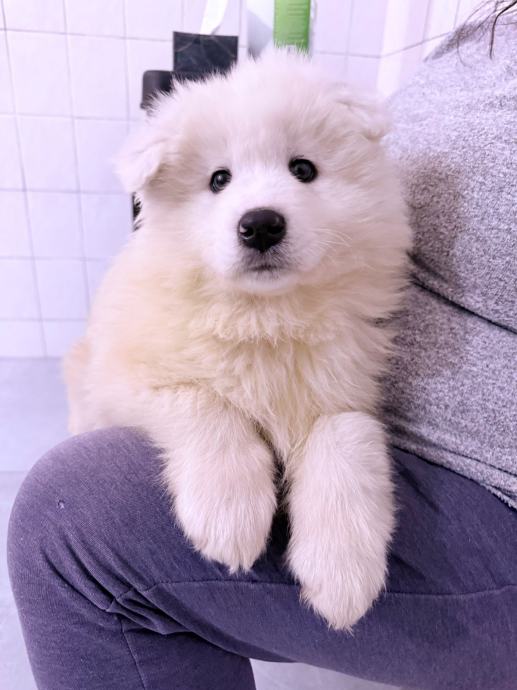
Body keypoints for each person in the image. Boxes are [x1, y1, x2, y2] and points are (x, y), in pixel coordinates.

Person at [7, 7, 517, 690]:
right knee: (74, 474)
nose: (260, 210)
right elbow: (115, 378)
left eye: (302, 168)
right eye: (218, 180)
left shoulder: (352, 314)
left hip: (487, 496)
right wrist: (207, 430)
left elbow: (334, 407)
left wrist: (342, 451)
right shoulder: (160, 302)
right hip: (180, 397)